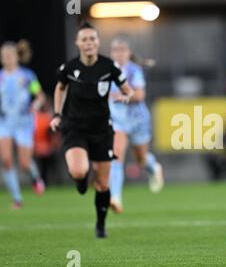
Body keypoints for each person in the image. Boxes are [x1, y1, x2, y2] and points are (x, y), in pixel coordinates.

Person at [50, 22, 135, 238]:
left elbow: (128, 89)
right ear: (77, 43)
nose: (88, 43)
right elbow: (60, 88)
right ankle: (80, 180)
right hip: (74, 128)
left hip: (101, 131)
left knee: (102, 182)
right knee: (80, 171)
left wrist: (126, 96)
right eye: (84, 39)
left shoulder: (109, 67)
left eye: (92, 39)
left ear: (98, 42)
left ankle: (100, 225)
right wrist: (57, 115)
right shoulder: (69, 68)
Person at [108, 36, 164, 213]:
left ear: (128, 52)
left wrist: (121, 96)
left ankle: (153, 166)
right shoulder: (105, 72)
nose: (119, 54)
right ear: (111, 53)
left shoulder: (134, 71)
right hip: (118, 122)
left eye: (122, 50)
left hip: (138, 121)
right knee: (116, 157)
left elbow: (139, 95)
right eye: (116, 50)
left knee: (141, 159)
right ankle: (115, 198)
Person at [0, 41, 46, 209]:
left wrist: (36, 105)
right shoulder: (1, 77)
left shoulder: (27, 76)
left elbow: (39, 96)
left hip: (23, 123)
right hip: (4, 122)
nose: (7, 59)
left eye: (10, 55)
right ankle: (17, 198)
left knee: (24, 162)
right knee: (6, 160)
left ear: (17, 57)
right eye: (4, 56)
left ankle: (35, 177)